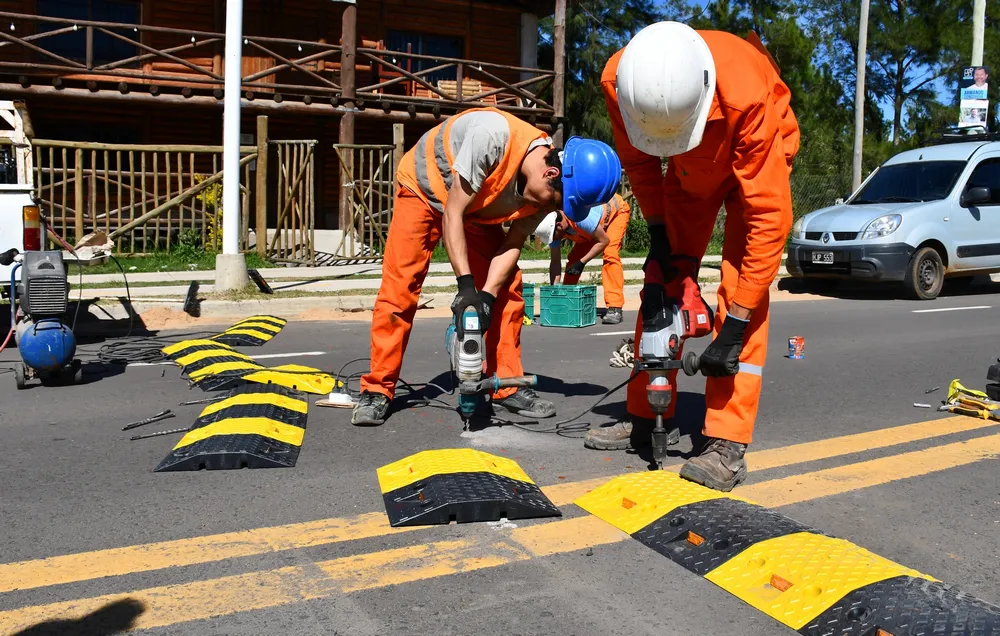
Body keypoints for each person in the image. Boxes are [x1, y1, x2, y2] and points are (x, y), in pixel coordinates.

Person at [587, 22, 799, 492]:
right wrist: (661, 241)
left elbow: (769, 222)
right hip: (690, 165)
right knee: (660, 283)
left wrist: (736, 327)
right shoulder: (620, 80)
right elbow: (642, 166)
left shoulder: (747, 92)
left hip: (756, 147)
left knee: (742, 287)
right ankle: (645, 416)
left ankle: (726, 442)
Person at [353, 107, 621, 426]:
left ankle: (505, 386)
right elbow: (453, 212)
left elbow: (513, 244)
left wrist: (487, 298)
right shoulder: (491, 137)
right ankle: (378, 389)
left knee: (508, 289)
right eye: (555, 201)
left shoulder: (545, 194)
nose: (552, 208)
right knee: (401, 286)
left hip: (477, 207)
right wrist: (467, 287)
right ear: (551, 174)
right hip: (424, 189)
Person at [534, 193, 631, 324]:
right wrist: (555, 292)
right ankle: (567, 300)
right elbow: (555, 261)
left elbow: (603, 241)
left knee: (610, 255)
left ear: (559, 226)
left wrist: (582, 262)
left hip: (615, 214)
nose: (554, 240)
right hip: (593, 229)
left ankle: (615, 307)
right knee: (574, 259)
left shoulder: (579, 217)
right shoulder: (554, 228)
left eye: (554, 237)